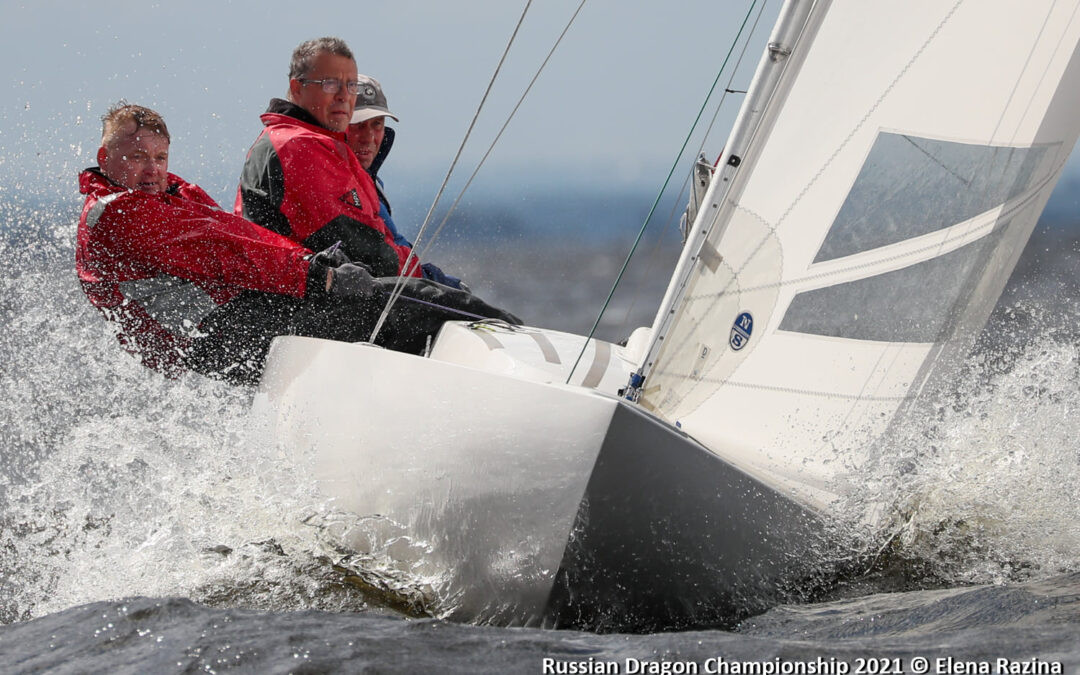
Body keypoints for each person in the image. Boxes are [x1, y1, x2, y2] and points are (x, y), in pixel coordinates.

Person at [77, 102, 518, 385]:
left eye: (159, 157)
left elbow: (242, 239)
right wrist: (318, 273)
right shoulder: (122, 213)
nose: (152, 169)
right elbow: (226, 252)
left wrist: (310, 262)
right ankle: (519, 347)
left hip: (223, 330)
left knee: (386, 315)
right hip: (218, 337)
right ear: (105, 159)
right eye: (137, 157)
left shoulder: (169, 198)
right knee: (416, 298)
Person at [235, 37, 417, 278]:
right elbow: (356, 246)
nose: (344, 95)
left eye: (350, 85)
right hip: (300, 302)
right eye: (330, 84)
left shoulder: (324, 146)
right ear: (297, 88)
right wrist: (425, 279)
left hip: (326, 293)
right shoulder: (297, 146)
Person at [346, 74, 465, 289]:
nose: (369, 137)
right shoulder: (338, 181)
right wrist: (432, 281)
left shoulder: (368, 180)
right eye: (358, 125)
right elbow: (374, 253)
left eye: (377, 124)